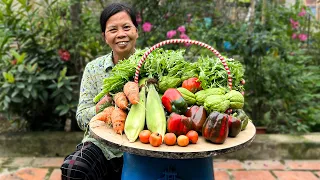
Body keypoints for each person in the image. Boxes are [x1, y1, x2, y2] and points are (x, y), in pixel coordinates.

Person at [60, 3, 139, 180]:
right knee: (75, 169)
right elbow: (81, 119)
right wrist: (103, 105)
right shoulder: (93, 69)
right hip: (102, 146)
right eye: (113, 29)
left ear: (136, 31)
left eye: (126, 27)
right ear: (105, 36)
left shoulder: (151, 63)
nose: (121, 34)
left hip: (144, 144)